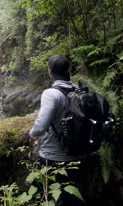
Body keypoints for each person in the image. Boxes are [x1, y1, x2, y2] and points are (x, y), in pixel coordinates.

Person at [28, 54, 86, 206]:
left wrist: (31, 135)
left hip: (52, 156)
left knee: (36, 196)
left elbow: (41, 125)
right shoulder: (79, 90)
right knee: (70, 198)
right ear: (68, 71)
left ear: (50, 72)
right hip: (76, 154)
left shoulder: (51, 94)